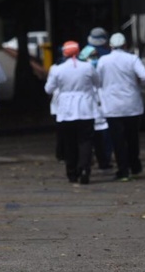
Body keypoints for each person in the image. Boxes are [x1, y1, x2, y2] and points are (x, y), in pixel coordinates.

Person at [96, 32, 145, 181]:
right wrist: (138, 84)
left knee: (118, 140)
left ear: (110, 46)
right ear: (125, 45)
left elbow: (97, 80)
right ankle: (134, 166)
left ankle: (123, 170)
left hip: (112, 106)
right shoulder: (132, 59)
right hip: (132, 105)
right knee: (132, 138)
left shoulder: (103, 60)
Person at [44, 41, 100, 184]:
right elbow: (97, 82)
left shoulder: (58, 69)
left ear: (64, 53)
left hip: (66, 111)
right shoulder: (87, 67)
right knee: (85, 141)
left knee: (69, 143)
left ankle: (72, 172)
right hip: (85, 109)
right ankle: (85, 168)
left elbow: (48, 89)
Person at [78, 44, 113, 172]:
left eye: (96, 56)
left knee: (103, 140)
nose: (95, 59)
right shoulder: (83, 70)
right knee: (88, 141)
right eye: (92, 56)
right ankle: (87, 162)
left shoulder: (100, 68)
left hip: (100, 110)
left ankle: (104, 161)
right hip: (87, 110)